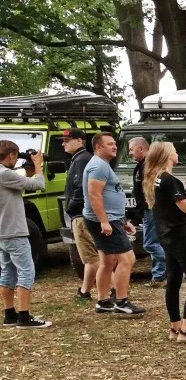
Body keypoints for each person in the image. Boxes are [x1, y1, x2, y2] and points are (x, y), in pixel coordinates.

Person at [143, 141, 186, 343]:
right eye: (174, 150)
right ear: (167, 156)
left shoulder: (156, 178)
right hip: (178, 235)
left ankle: (175, 326)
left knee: (173, 280)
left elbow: (171, 206)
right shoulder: (170, 180)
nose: (177, 153)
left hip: (165, 234)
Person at [83, 132, 145, 317]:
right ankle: (121, 301)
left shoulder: (102, 165)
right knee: (127, 259)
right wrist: (104, 221)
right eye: (109, 144)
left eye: (115, 143)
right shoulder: (98, 166)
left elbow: (109, 195)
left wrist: (122, 221)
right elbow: (94, 194)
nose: (115, 147)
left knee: (108, 261)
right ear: (98, 147)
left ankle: (103, 301)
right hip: (104, 220)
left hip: (110, 219)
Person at [0, 141, 52, 328]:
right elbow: (39, 184)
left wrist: (29, 170)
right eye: (16, 156)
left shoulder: (6, 175)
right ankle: (24, 316)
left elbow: (23, 185)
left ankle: (10, 314)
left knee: (7, 272)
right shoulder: (5, 174)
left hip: (3, 232)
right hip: (14, 231)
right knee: (26, 271)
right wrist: (38, 165)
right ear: (11, 155)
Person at [62, 128, 103, 303]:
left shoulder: (81, 160)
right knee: (90, 256)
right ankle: (85, 291)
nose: (63, 144)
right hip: (83, 214)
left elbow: (81, 188)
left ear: (79, 141)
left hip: (81, 215)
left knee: (94, 257)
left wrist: (71, 208)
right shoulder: (80, 159)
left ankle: (115, 290)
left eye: (67, 140)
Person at [128, 136, 167, 287]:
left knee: (150, 244)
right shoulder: (142, 165)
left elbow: (152, 189)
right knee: (155, 242)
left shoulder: (148, 165)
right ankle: (159, 276)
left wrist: (147, 205)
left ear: (141, 148)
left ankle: (175, 264)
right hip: (146, 210)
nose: (130, 153)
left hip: (151, 209)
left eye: (131, 149)